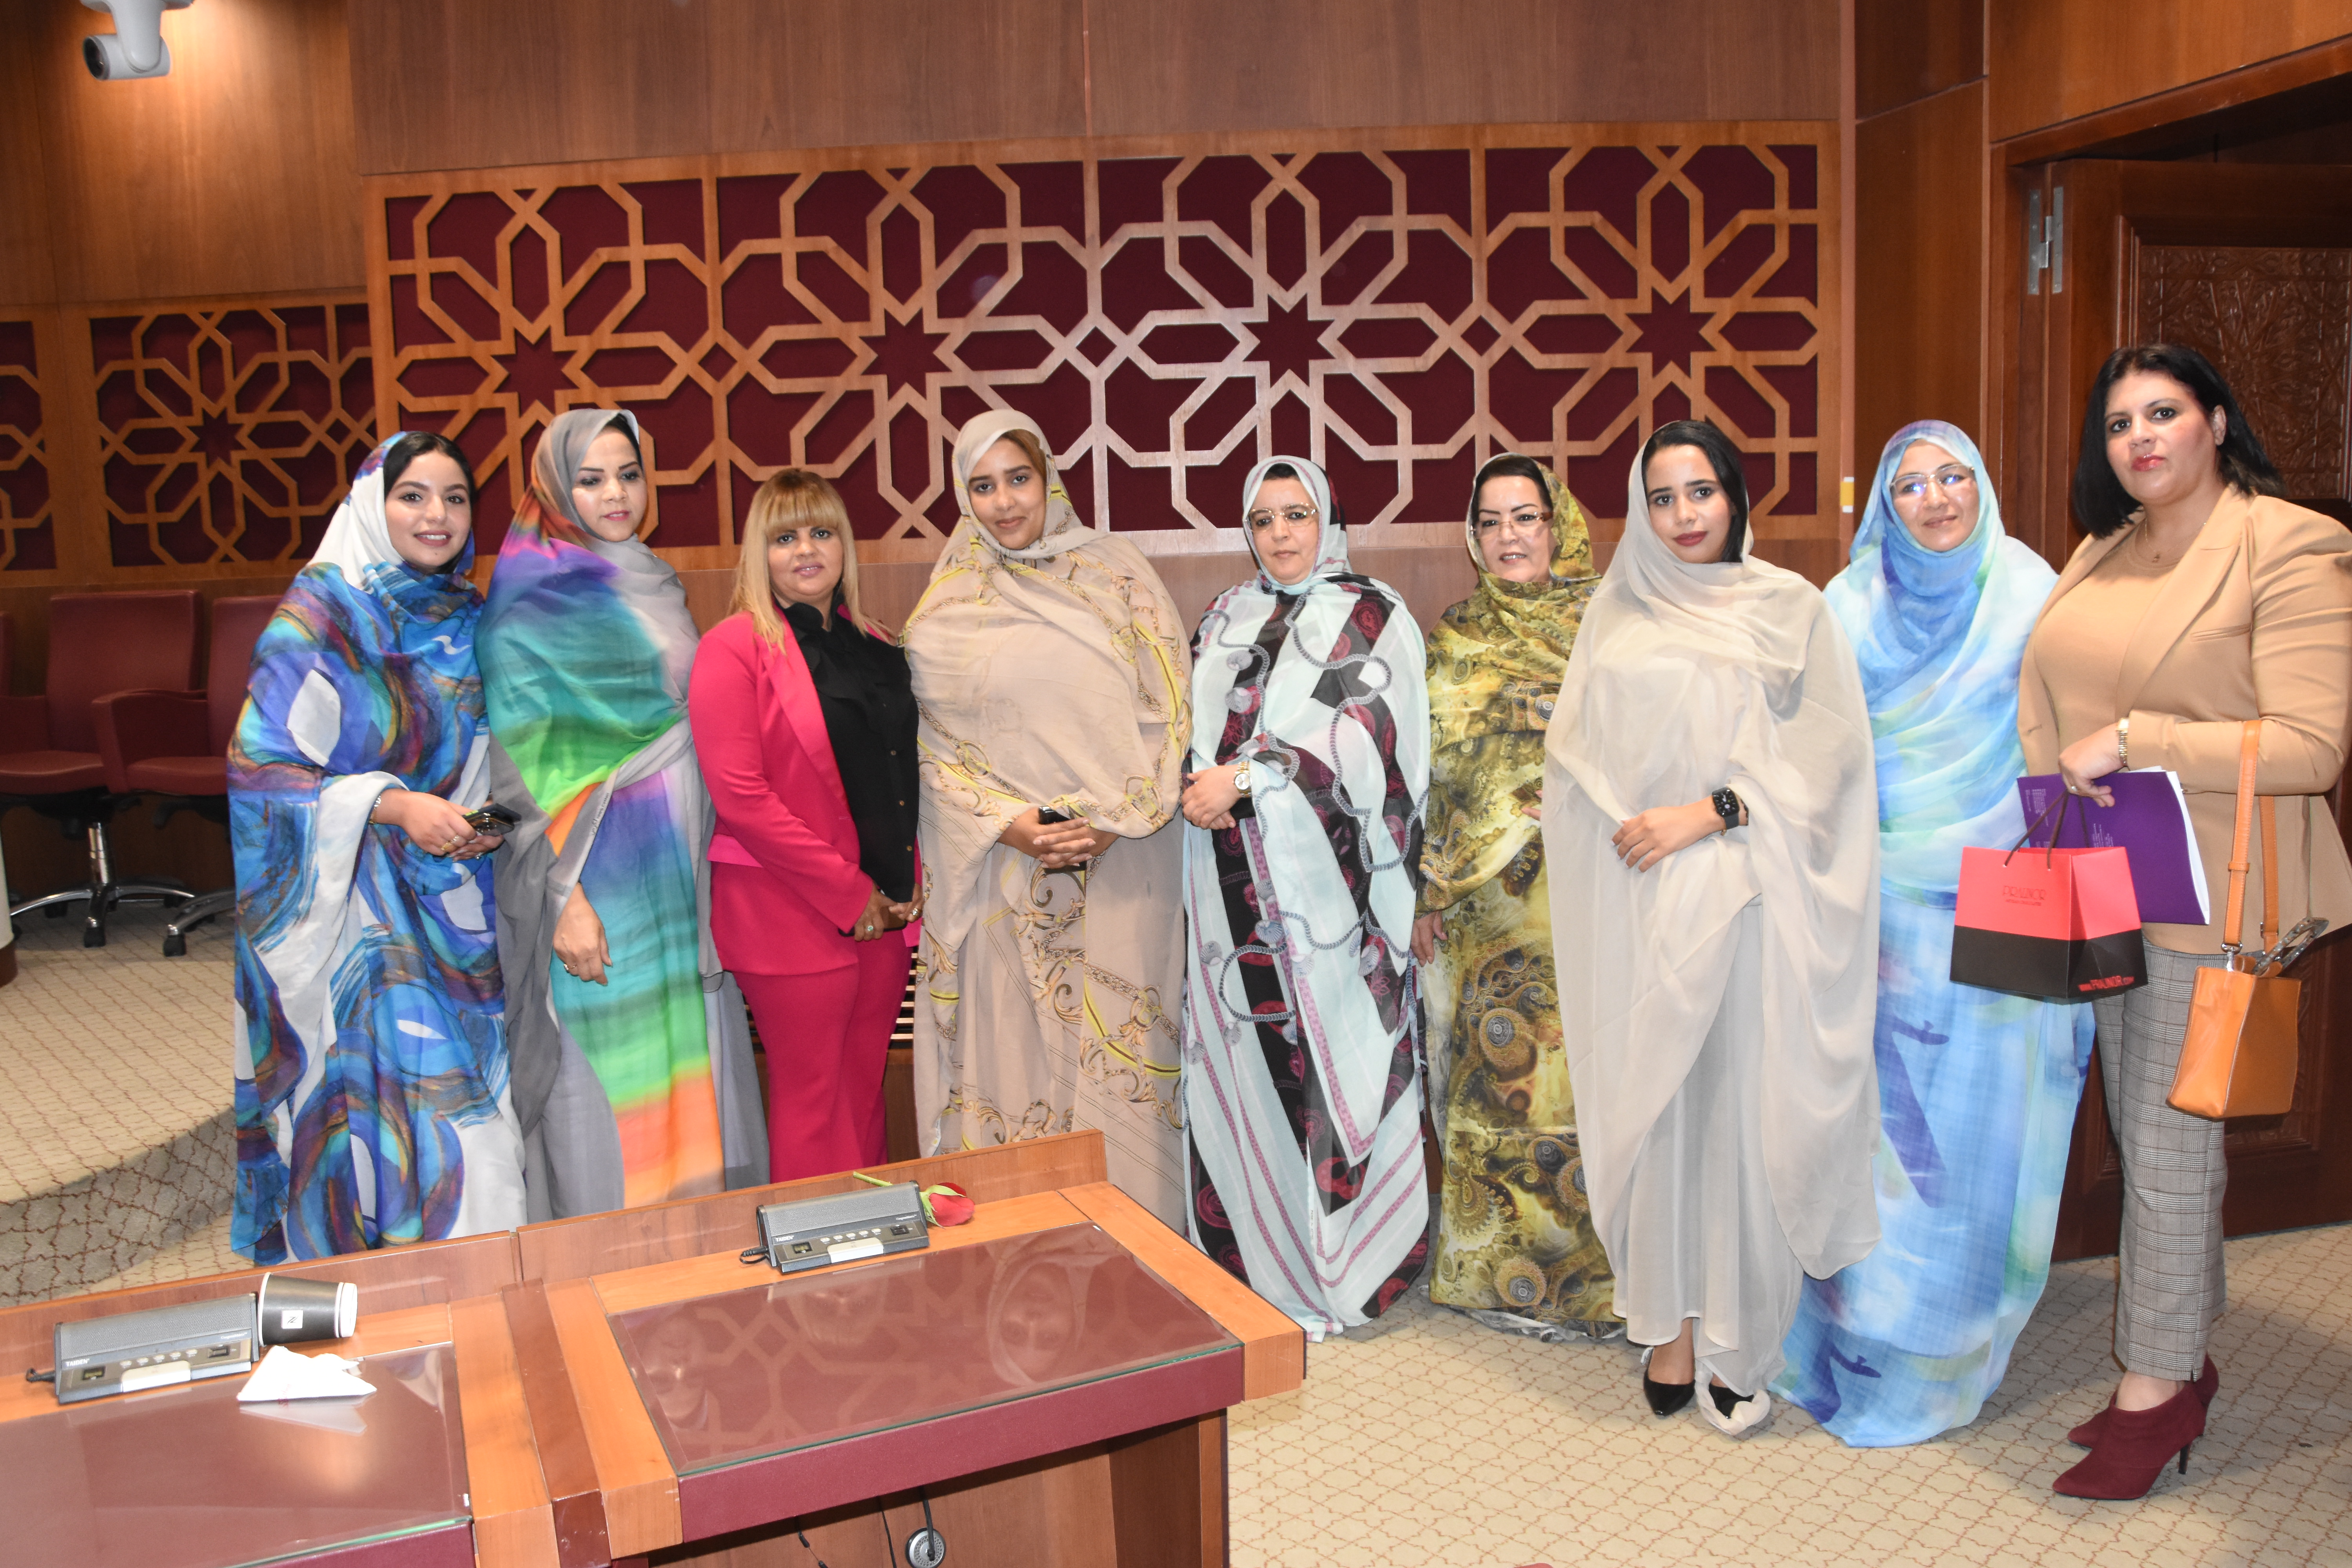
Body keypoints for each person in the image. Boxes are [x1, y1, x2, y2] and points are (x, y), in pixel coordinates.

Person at [2020, 344, 2352, 1499]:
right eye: (2119, 424)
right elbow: (2053, 700)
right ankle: (2185, 1356)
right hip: (2104, 876)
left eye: (2163, 413)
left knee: (2164, 1144)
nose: (2140, 439)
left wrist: (2143, 738)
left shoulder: (2292, 543)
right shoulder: (2101, 549)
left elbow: (2313, 748)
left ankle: (2153, 1393)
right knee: (2147, 1127)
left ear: (2216, 420)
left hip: (2211, 895)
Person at [1543, 419, 1880, 1437]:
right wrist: (1633, 824)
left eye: (1702, 493)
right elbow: (1578, 762)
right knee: (1665, 1112)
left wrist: (1717, 809)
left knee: (1737, 1112)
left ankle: (1738, 1338)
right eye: (1661, 498)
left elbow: (1832, 757)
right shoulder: (1620, 614)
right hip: (1649, 901)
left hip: (1752, 896)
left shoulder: (1790, 609)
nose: (1683, 516)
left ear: (1737, 498)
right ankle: (1669, 1324)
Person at [1776, 421, 2094, 1445]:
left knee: (1977, 1149)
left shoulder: (2035, 595)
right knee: (1877, 1146)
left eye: (1954, 476)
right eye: (1911, 484)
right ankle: (1858, 1340)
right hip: (1877, 924)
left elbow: (2070, 743)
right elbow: (1808, 755)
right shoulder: (1846, 605)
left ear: (1982, 486)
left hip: (2004, 909)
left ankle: (1948, 1346)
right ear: (1884, 504)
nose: (1937, 498)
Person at [230, 431, 525, 1261]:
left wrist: (480, 815)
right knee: (437, 1122)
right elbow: (261, 773)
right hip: (356, 904)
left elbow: (495, 745)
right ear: (372, 502)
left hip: (463, 901)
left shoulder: (470, 613)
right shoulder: (321, 614)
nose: (437, 515)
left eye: (455, 498)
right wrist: (392, 806)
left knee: (474, 1102)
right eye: (414, 495)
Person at [901, 409, 1192, 1226]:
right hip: (1003, 868)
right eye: (983, 486)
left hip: (1120, 863)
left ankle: (1138, 1237)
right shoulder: (949, 600)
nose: (1003, 503)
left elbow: (1169, 704)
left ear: (1049, 477)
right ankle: (1018, 1237)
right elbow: (930, 744)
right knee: (1016, 1056)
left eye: (1017, 479)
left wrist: (1118, 814)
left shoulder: (1118, 574)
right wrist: (1008, 820)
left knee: (1117, 1052)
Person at [480, 409, 765, 1219]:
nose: (616, 493)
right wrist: (563, 899)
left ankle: (696, 1254)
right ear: (552, 487)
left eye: (629, 474)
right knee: (613, 1068)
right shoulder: (527, 601)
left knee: (686, 1058)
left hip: (677, 869)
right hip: (595, 875)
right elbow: (523, 767)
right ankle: (608, 1270)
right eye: (591, 477)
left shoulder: (650, 576)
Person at [1180, 455, 1432, 1338]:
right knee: (1248, 1066)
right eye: (1263, 519)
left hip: (1333, 900)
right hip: (1228, 882)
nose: (1282, 534)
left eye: (1297, 514)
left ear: (1329, 518)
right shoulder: (1225, 616)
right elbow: (1189, 727)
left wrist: (1253, 774)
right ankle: (1259, 1256)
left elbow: (1364, 732)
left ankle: (1348, 1266)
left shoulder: (1368, 615)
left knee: (1332, 1070)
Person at [1412, 453, 1615, 1340]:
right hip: (1479, 906)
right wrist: (1426, 889)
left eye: (1525, 517)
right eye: (1491, 522)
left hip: (1589, 888)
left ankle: (1590, 1280)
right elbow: (1427, 772)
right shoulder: (1452, 634)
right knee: (1492, 1087)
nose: (1509, 538)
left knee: (1583, 1088)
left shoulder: (1614, 624)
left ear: (1558, 522)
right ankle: (1490, 1274)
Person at [688, 469, 918, 1181]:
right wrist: (848, 893)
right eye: (785, 538)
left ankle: (871, 1248)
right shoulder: (732, 647)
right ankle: (815, 1269)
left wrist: (897, 890)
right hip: (787, 911)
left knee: (862, 1093)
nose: (806, 551)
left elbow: (903, 777)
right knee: (813, 1099)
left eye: (821, 533)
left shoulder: (879, 644)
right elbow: (741, 798)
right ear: (761, 551)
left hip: (887, 913)